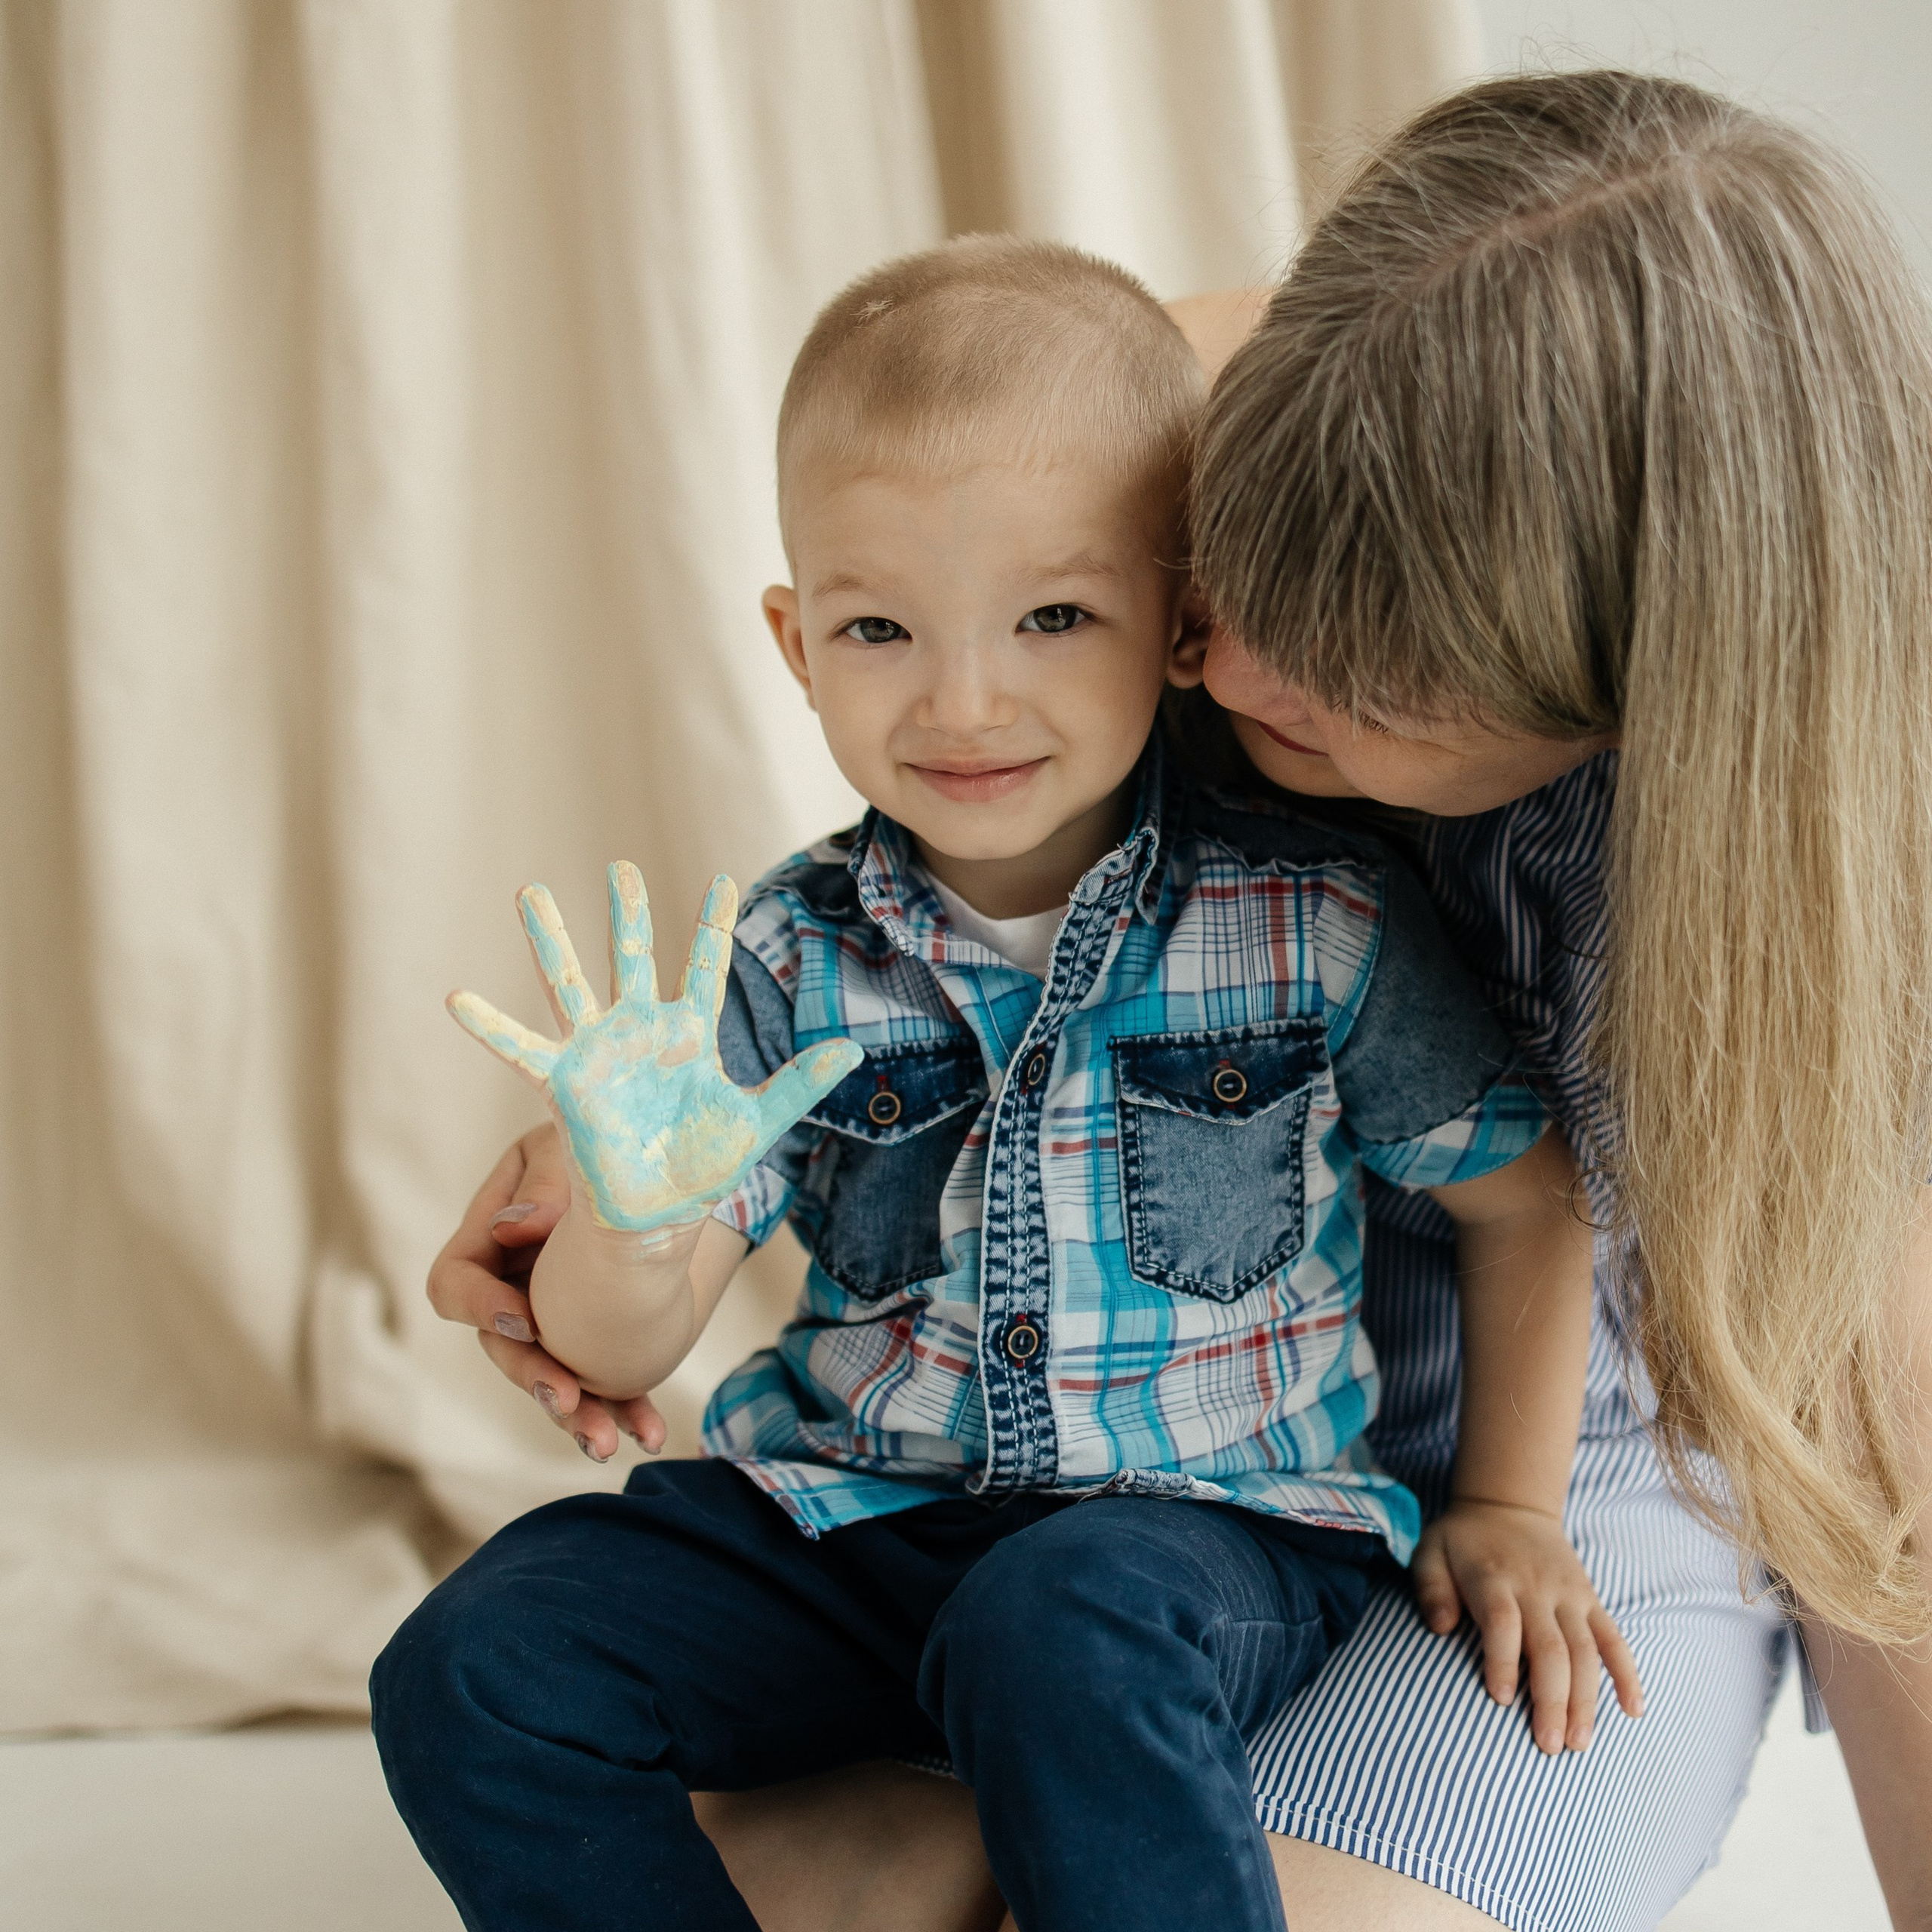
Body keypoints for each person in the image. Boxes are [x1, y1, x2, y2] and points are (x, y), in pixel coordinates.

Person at [425, 71, 1932, 1932]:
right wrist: (614, 1190)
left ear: (1608, 702)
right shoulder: (1177, 442)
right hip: (1029, 1477)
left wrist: (1512, 1507)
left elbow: (1883, 1486)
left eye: (1364, 657)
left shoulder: (1765, 876)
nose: (1224, 654)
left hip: (1493, 1486)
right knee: (715, 1768)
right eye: (1218, 570)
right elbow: (943, 712)